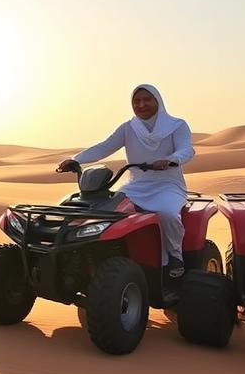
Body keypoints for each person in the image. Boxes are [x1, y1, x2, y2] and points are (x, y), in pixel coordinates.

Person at [56, 84, 195, 279]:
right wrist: (77, 159)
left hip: (168, 186)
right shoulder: (129, 128)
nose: (141, 104)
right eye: (136, 101)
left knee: (167, 213)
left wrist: (171, 160)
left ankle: (175, 256)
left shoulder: (176, 125)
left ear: (158, 100)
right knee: (106, 209)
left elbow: (186, 150)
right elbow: (104, 146)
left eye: (147, 99)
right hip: (135, 186)